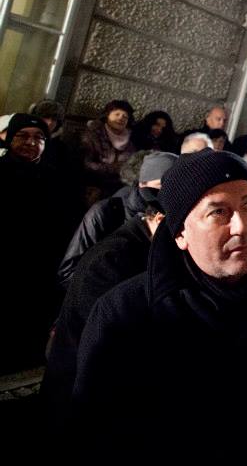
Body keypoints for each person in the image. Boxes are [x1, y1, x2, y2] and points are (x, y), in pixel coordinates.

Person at [68, 150, 247, 461]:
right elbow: (91, 436)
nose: (242, 226)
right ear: (180, 233)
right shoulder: (125, 312)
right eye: (218, 212)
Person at [43, 200, 166, 425]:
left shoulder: (141, 245)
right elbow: (112, 344)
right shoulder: (113, 258)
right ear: (159, 219)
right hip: (77, 400)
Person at [0, 114, 74, 373]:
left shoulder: (55, 178)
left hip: (40, 264)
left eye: (39, 138)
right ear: (10, 139)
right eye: (24, 136)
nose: (32, 142)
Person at [58, 151, 178, 287]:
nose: (166, 193)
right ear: (142, 184)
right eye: (160, 185)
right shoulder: (106, 212)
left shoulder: (175, 215)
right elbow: (68, 273)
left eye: (174, 187)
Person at [80, 99, 136, 200]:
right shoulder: (93, 134)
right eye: (117, 114)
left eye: (125, 116)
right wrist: (115, 169)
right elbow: (86, 162)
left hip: (119, 189)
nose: (121, 118)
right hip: (93, 184)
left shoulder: (131, 140)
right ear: (107, 115)